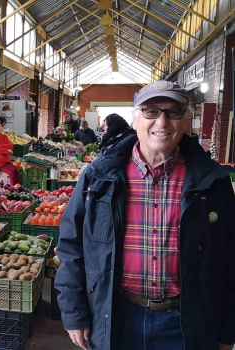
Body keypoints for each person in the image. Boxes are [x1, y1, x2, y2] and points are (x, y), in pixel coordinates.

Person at [55, 81, 235, 350]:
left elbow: (230, 257)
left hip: (188, 324)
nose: (162, 122)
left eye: (173, 112)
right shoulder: (99, 178)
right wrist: (74, 312)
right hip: (117, 318)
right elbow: (71, 246)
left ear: (186, 120)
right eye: (151, 111)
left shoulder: (212, 183)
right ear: (135, 118)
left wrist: (226, 330)